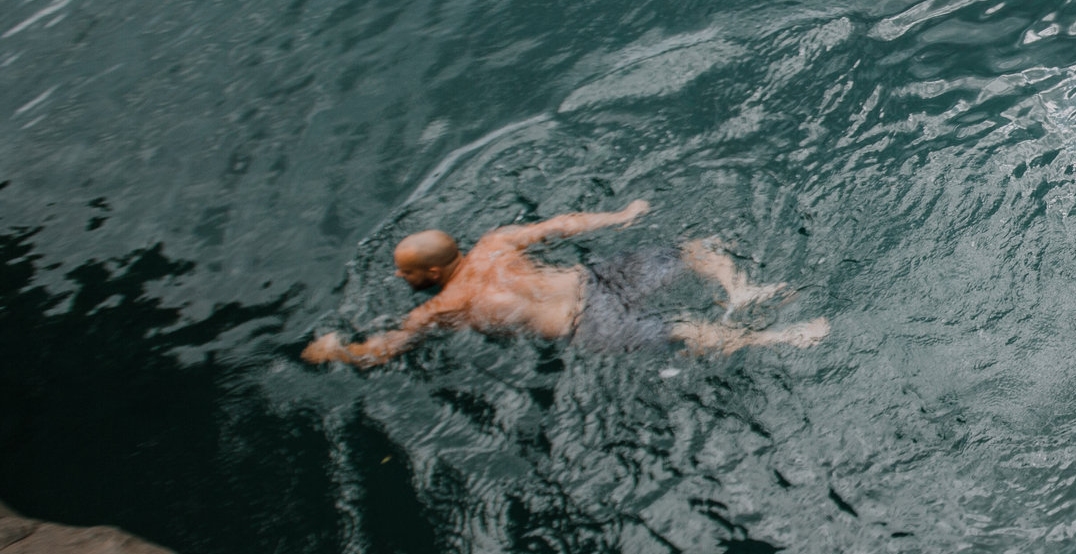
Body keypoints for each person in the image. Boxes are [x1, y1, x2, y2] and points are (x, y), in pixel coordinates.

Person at [302, 199, 827, 366]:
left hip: (584, 325)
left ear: (435, 273)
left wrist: (336, 351)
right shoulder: (495, 241)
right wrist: (621, 215)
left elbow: (385, 348)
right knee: (693, 250)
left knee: (684, 331)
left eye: (407, 271)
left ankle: (778, 337)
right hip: (595, 279)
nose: (399, 275)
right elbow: (561, 226)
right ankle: (740, 291)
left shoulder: (442, 307)